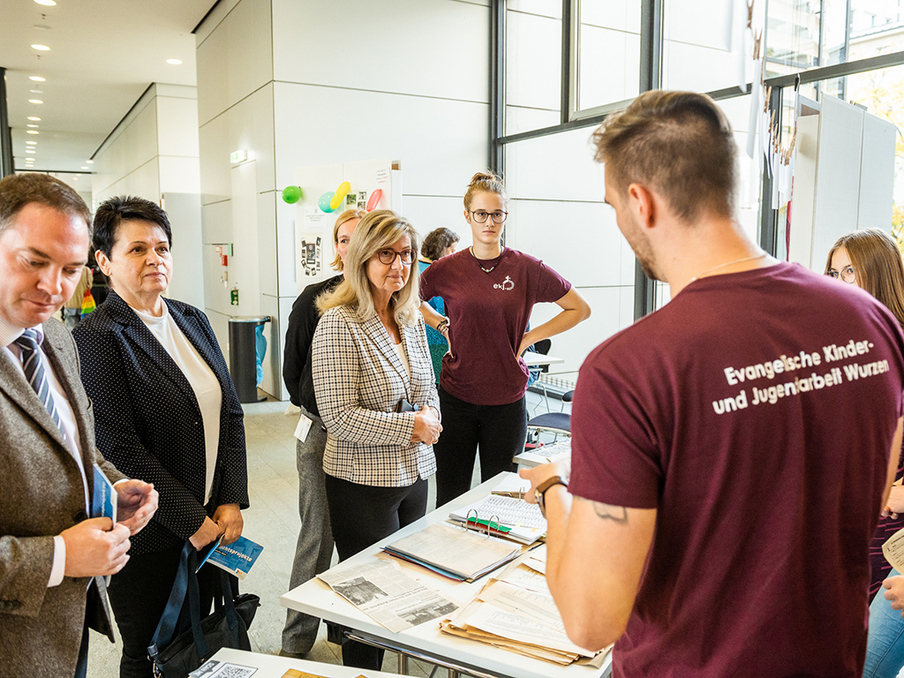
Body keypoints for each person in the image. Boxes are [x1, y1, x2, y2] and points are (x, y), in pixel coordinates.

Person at [520, 91, 904, 677]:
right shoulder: (870, 322)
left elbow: (590, 618)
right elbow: (872, 492)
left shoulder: (628, 371)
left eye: (612, 206)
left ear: (640, 201)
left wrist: (553, 493)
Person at [72, 196, 249, 678]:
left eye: (162, 247)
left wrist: (229, 498)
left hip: (213, 520)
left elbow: (230, 412)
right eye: (137, 249)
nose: (155, 258)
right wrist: (191, 520)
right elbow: (119, 446)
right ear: (104, 262)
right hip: (150, 531)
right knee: (151, 649)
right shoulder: (98, 337)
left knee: (200, 636)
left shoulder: (191, 318)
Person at [0, 173, 158, 678]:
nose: (53, 287)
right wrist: (60, 556)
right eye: (34, 261)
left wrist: (110, 487)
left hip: (64, 628)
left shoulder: (54, 336)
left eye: (70, 269)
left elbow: (71, 444)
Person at [311, 209, 441, 669]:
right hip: (361, 484)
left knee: (404, 588)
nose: (398, 265)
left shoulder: (408, 319)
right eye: (386, 254)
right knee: (368, 601)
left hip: (414, 474)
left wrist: (431, 418)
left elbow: (428, 389)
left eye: (405, 254)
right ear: (362, 257)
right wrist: (412, 426)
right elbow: (340, 418)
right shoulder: (338, 323)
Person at [419, 172, 590, 506]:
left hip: (507, 401)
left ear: (505, 217)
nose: (489, 222)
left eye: (497, 214)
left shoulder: (526, 268)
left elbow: (579, 308)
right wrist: (441, 325)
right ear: (467, 215)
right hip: (456, 398)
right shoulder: (447, 268)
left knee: (502, 498)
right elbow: (410, 299)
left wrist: (529, 338)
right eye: (481, 214)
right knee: (450, 495)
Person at [280, 207, 362, 659]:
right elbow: (293, 376)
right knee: (318, 537)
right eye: (342, 239)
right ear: (336, 247)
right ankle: (294, 643)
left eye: (358, 237)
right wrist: (330, 407)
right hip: (322, 433)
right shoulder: (316, 298)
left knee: (359, 538)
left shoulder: (383, 301)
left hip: (372, 441)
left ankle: (346, 631)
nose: (349, 247)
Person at [825, 228, 904, 599]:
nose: (841, 283)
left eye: (851, 271)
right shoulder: (842, 355)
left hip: (895, 555)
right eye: (834, 274)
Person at [417, 227, 460, 383]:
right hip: (439, 343)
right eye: (453, 250)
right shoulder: (440, 275)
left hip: (417, 344)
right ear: (442, 249)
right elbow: (448, 311)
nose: (456, 255)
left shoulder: (413, 268)